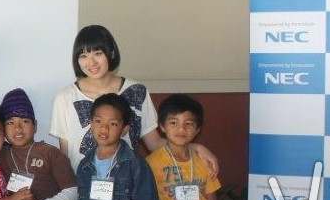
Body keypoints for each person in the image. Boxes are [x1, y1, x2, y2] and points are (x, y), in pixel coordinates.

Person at [50, 25, 217, 171]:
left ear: (111, 53)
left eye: (98, 53)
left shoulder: (136, 91)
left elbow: (154, 144)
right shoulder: (65, 98)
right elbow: (65, 154)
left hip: (127, 186)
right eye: (83, 56)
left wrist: (195, 147)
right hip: (82, 187)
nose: (91, 62)